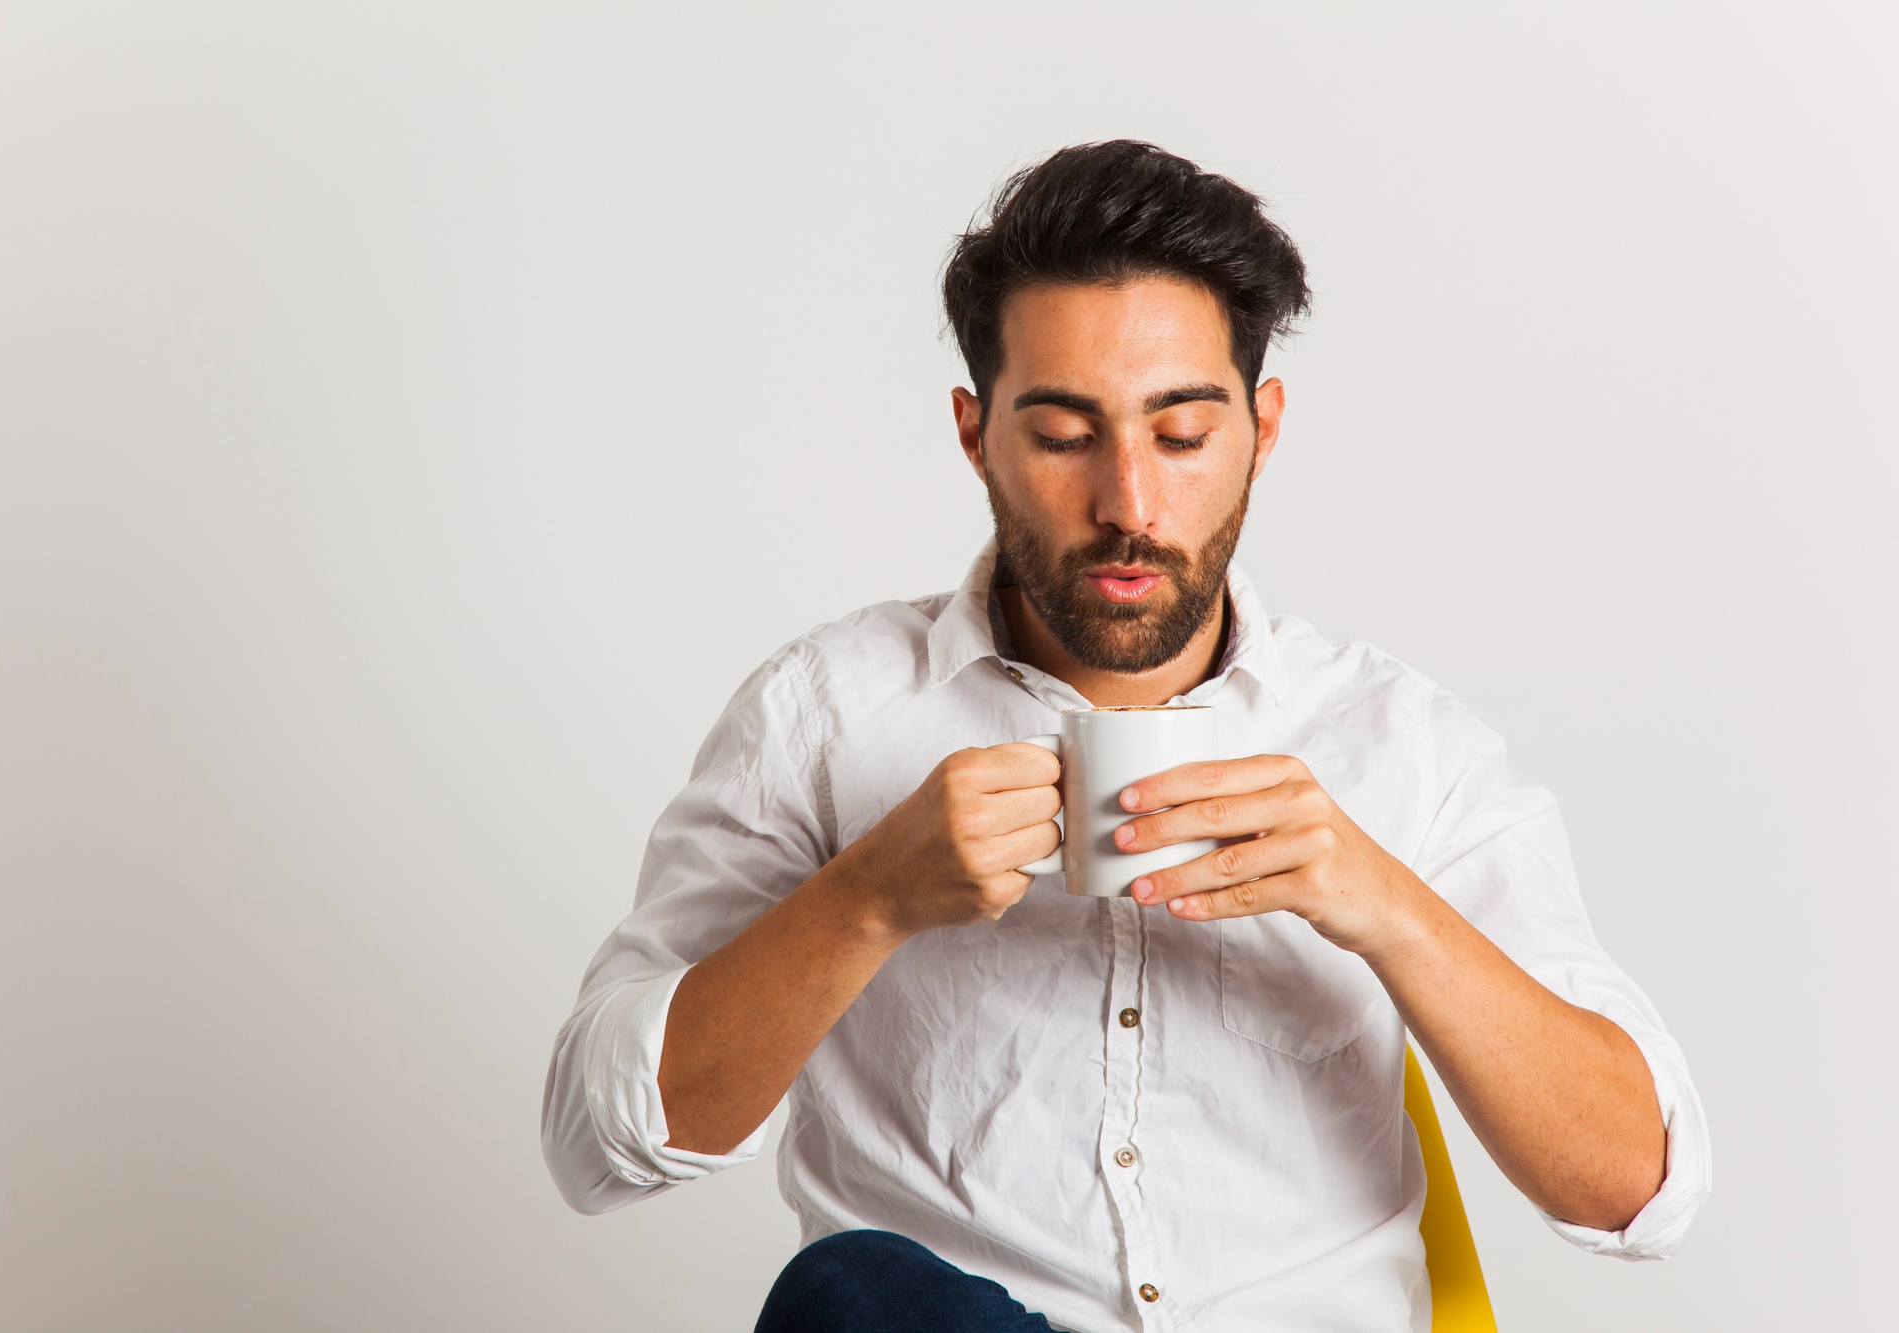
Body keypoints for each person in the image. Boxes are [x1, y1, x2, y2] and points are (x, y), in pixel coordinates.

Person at [540, 140, 1709, 1332]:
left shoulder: (1397, 742)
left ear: (1260, 428)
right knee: (851, 1295)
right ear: (972, 433)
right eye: (1060, 436)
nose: (1128, 506)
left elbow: (1638, 1189)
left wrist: (1380, 901)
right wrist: (865, 900)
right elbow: (596, 1145)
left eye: (1181, 434)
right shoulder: (824, 714)